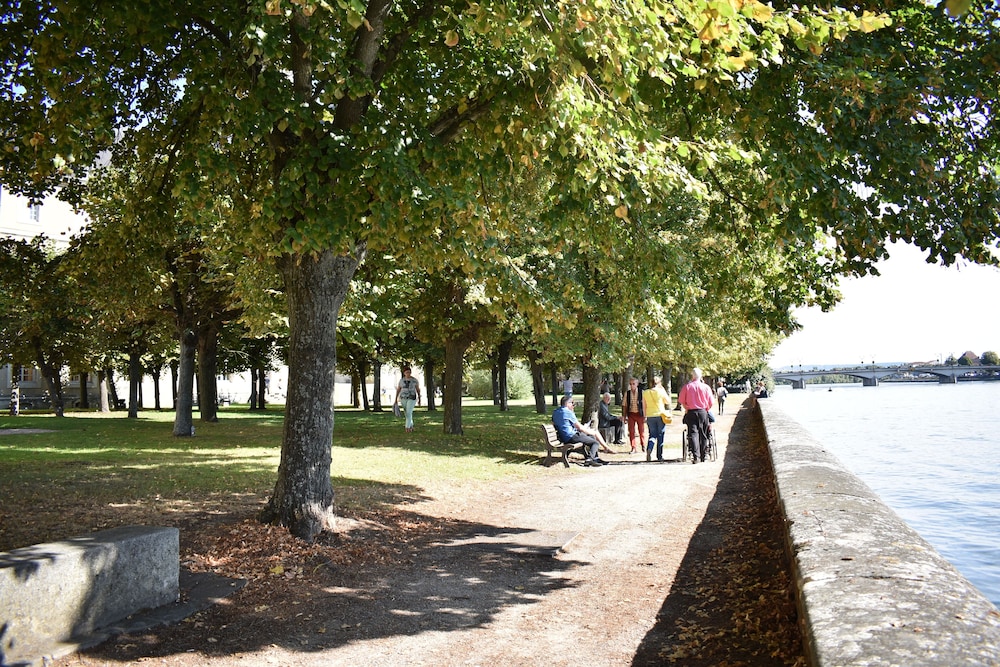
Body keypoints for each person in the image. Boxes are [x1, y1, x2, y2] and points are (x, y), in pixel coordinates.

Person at [552, 395, 608, 467]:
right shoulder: (568, 412)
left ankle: (595, 458)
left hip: (563, 436)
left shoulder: (556, 412)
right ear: (567, 403)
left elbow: (555, 423)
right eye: (572, 403)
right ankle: (589, 460)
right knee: (595, 442)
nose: (573, 405)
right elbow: (579, 428)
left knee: (591, 436)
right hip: (571, 436)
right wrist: (589, 430)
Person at [679, 367, 714, 463]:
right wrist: (706, 408)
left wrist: (686, 407)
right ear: (701, 376)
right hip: (703, 411)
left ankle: (696, 456)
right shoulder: (706, 387)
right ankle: (703, 455)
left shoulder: (687, 387)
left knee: (693, 433)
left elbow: (681, 400)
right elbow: (711, 402)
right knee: (703, 432)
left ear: (692, 376)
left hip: (691, 412)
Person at [642, 376, 671, 462]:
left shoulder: (645, 393)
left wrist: (645, 416)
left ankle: (649, 449)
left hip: (650, 416)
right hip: (660, 415)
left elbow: (644, 406)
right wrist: (663, 390)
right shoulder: (661, 391)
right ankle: (659, 456)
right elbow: (668, 401)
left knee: (652, 435)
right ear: (659, 383)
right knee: (660, 435)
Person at [394, 365, 422, 432]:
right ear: (404, 373)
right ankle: (411, 425)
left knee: (409, 412)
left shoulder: (414, 380)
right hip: (403, 398)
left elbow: (418, 389)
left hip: (412, 397)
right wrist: (396, 399)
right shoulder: (401, 380)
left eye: (409, 372)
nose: (408, 374)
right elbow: (398, 389)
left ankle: (407, 427)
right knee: (407, 413)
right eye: (406, 372)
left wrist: (419, 398)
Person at [621, 376, 645, 453]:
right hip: (631, 414)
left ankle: (643, 445)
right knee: (631, 431)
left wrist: (645, 415)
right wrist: (624, 416)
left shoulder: (642, 392)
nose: (632, 385)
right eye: (630, 384)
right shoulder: (627, 393)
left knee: (641, 431)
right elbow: (624, 405)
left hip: (639, 414)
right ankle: (633, 447)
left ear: (637, 384)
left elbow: (645, 405)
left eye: (633, 384)